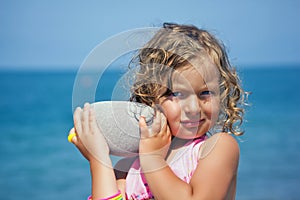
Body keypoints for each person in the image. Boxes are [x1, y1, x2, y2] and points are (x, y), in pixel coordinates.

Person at [68, 22, 246, 200]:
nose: (194, 108)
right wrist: (99, 161)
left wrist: (153, 159)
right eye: (177, 94)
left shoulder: (218, 148)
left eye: (205, 93)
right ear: (151, 97)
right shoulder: (129, 169)